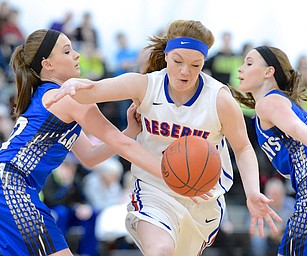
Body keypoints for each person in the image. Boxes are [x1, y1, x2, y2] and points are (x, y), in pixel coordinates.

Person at [46, 20, 282, 256]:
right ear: (166, 55)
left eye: (195, 64)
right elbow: (95, 90)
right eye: (178, 61)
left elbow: (242, 148)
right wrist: (73, 84)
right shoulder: (146, 85)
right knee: (160, 250)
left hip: (202, 198)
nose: (185, 71)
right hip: (154, 189)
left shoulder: (219, 99)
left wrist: (252, 192)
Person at [0, 28, 163, 256]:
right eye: (67, 51)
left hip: (10, 186)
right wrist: (168, 174)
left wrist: (129, 131)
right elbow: (121, 146)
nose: (76, 55)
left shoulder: (52, 97)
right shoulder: (68, 97)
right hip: (11, 186)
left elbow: (90, 156)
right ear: (47, 64)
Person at [230, 45, 307, 255]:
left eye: (249, 63)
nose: (240, 69)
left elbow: (299, 131)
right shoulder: (277, 103)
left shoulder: (268, 102)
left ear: (269, 71)